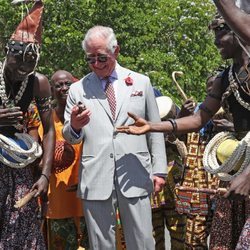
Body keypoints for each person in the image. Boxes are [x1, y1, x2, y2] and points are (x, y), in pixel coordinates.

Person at [117, 14, 250, 249]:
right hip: (236, 170)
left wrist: (248, 175)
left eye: (220, 34)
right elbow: (199, 119)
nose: (216, 42)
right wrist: (153, 125)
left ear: (237, 31)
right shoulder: (224, 79)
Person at [62, 25, 167, 249]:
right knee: (100, 243)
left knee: (142, 241)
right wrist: (76, 127)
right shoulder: (77, 89)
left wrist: (159, 170)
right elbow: (70, 137)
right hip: (96, 176)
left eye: (102, 57)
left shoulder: (141, 82)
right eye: (91, 59)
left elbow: (155, 130)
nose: (97, 65)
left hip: (135, 173)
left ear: (116, 51)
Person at [0, 1, 55, 249]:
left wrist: (44, 174)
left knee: (23, 226)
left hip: (19, 166)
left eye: (29, 65)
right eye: (17, 62)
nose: (22, 70)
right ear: (6, 51)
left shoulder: (38, 82)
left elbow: (50, 128)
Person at [38, 70, 89, 249]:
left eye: (68, 84)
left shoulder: (86, 116)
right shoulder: (45, 120)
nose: (64, 88)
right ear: (51, 90)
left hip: (85, 196)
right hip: (57, 199)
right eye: (58, 85)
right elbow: (38, 157)